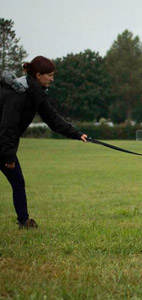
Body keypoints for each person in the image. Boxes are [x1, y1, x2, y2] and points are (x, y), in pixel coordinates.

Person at [1, 56, 88, 229]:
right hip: (3, 144)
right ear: (38, 75)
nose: (52, 79)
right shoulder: (17, 93)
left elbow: (53, 120)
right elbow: (7, 126)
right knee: (18, 182)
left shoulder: (36, 94)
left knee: (18, 182)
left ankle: (24, 221)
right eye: (49, 75)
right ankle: (24, 221)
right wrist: (9, 156)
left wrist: (77, 134)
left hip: (4, 145)